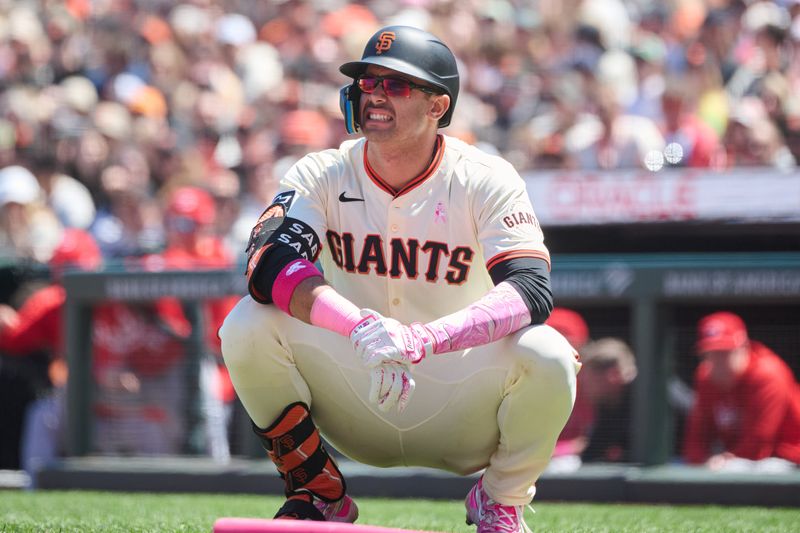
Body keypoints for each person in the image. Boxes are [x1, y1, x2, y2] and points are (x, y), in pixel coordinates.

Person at [220, 26, 581, 532]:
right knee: (246, 324)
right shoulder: (322, 172)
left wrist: (424, 339)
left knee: (549, 353)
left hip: (460, 395)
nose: (375, 94)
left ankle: (500, 498)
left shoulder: (485, 177)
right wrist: (357, 326)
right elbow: (268, 262)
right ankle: (318, 492)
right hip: (357, 388)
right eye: (369, 82)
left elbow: (531, 288)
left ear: (438, 106)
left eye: (397, 85)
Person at [682, 311, 800, 470]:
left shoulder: (768, 374)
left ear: (743, 347)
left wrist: (723, 461)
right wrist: (696, 463)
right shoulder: (705, 376)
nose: (717, 362)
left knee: (728, 469)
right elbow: (696, 436)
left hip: (789, 458)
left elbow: (759, 442)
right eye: (711, 354)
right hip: (742, 459)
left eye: (724, 353)